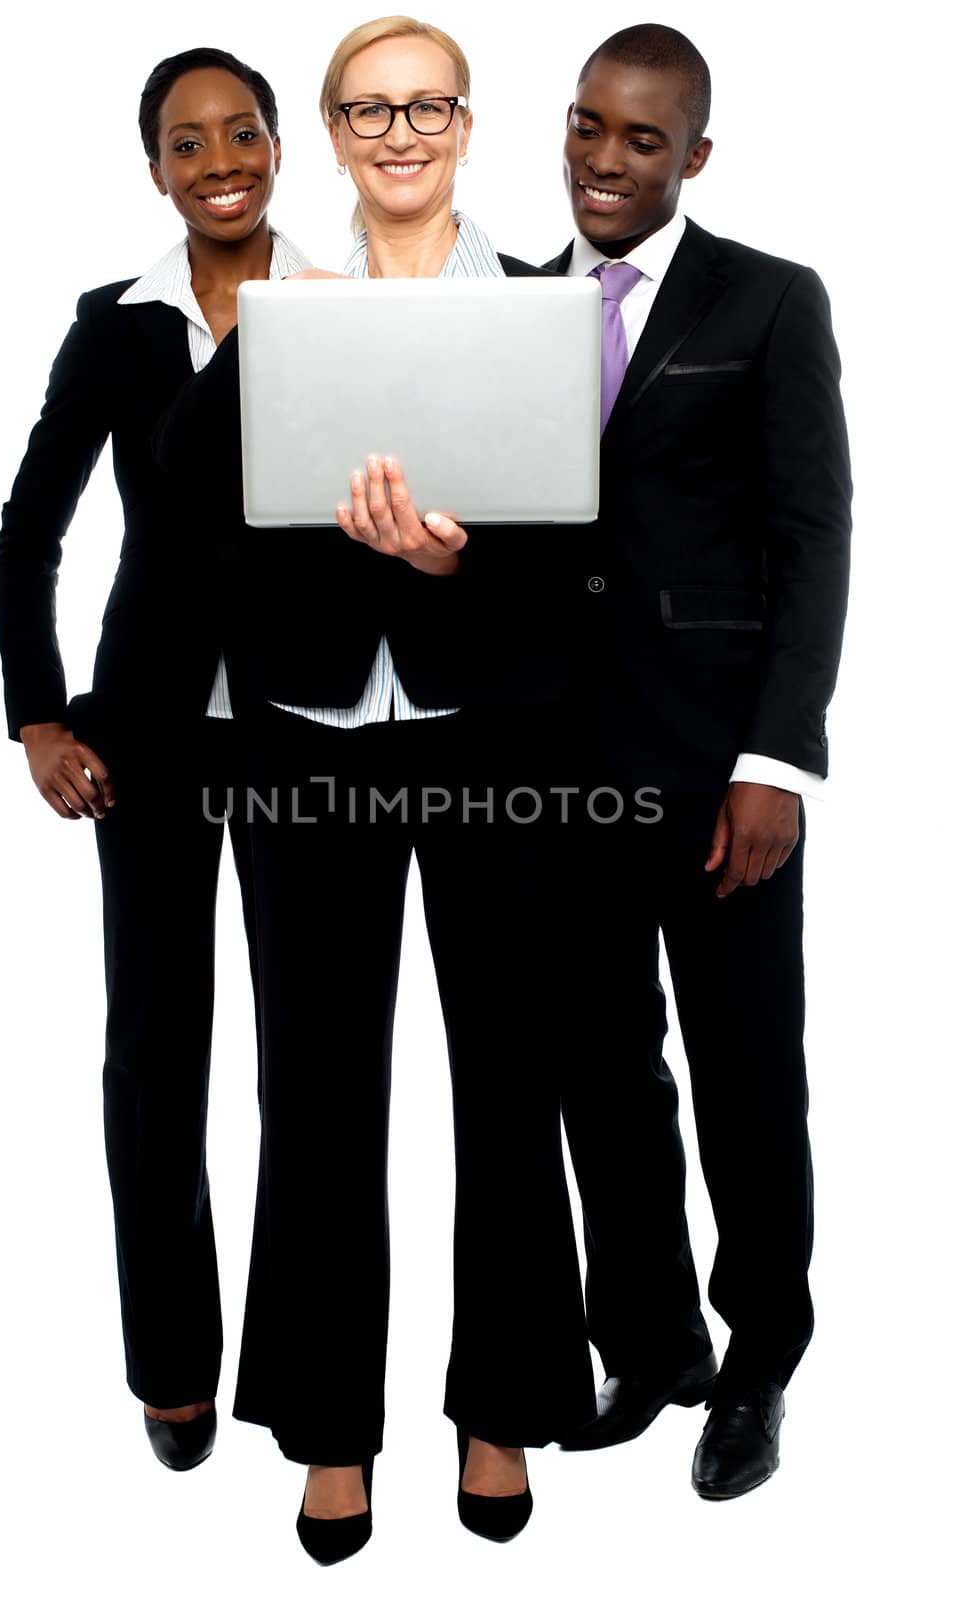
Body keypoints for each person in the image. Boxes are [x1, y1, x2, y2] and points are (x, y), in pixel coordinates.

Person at [155, 14, 595, 1565]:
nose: (399, 131)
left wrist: (456, 563)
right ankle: (329, 1429)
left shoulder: (549, 312)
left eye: (428, 106)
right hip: (302, 734)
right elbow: (190, 535)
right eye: (366, 109)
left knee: (508, 1080)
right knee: (318, 1095)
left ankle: (503, 1401)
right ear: (332, 135)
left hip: (500, 739)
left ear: (468, 126)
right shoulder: (277, 313)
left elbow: (584, 566)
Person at [539, 24, 851, 1498]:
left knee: (743, 1080)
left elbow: (812, 536)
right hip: (559, 774)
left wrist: (774, 761)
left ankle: (758, 1364)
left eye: (642, 140)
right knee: (600, 1075)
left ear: (694, 156)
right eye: (590, 128)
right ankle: (650, 1340)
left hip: (716, 766)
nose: (607, 161)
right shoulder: (509, 307)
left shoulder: (770, 301)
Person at [0, 48, 312, 1473]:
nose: (220, 158)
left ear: (276, 148)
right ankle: (171, 1359)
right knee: (155, 1057)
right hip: (152, 732)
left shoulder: (345, 307)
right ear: (157, 173)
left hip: (313, 728)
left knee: (311, 1067)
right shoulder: (112, 328)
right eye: (187, 143)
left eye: (240, 131)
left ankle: (310, 1376)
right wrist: (37, 712)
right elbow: (29, 529)